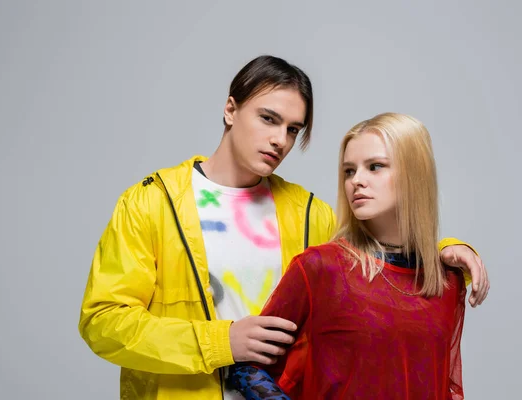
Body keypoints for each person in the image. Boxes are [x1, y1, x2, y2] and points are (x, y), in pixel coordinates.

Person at [78, 56, 489, 400]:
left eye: (293, 129)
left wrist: (445, 249)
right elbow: (103, 322)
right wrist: (221, 342)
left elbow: (378, 259)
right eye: (268, 118)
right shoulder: (152, 202)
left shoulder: (310, 212)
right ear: (230, 109)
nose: (280, 140)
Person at [230, 113, 471, 399]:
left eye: (375, 166)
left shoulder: (448, 281)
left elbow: (445, 386)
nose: (357, 181)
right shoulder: (321, 267)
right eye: (349, 171)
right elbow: (247, 365)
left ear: (414, 174)